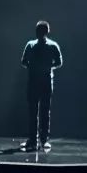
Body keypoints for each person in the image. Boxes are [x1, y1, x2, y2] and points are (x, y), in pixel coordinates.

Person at [20, 20, 63, 150]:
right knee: (33, 112)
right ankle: (33, 140)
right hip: (34, 82)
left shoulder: (52, 45)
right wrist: (33, 67)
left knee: (44, 111)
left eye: (41, 31)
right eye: (38, 30)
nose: (39, 33)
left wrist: (47, 67)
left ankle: (43, 140)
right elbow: (23, 61)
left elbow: (59, 62)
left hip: (45, 82)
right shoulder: (30, 45)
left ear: (46, 32)